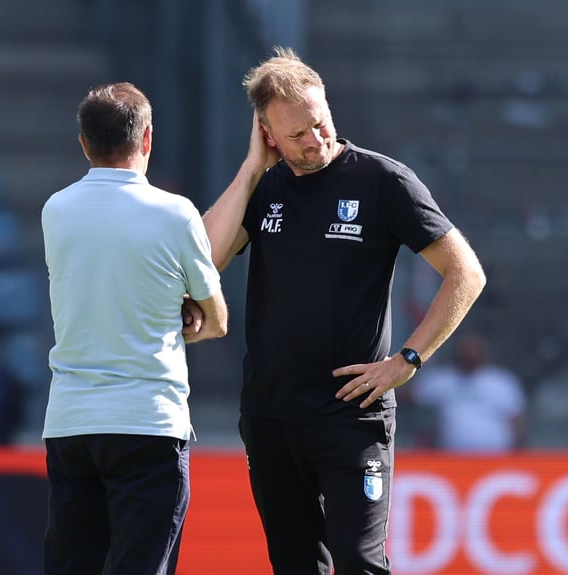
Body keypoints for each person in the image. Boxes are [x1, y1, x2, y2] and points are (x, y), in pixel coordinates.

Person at [203, 47, 486, 574]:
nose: (315, 139)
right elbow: (205, 261)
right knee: (295, 565)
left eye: (320, 122)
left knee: (359, 563)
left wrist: (407, 360)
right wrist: (250, 169)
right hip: (270, 415)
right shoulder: (263, 186)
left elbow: (466, 273)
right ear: (267, 134)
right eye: (296, 134)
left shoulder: (383, 181)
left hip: (352, 414)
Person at [40, 82, 228, 575]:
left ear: (83, 143)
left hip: (72, 423)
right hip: (148, 421)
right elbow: (218, 320)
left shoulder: (55, 209)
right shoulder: (176, 212)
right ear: (147, 139)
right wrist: (185, 316)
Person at [408, 332, 527, 451]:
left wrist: (519, 452)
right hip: (451, 456)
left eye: (473, 349)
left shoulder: (501, 382)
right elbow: (409, 395)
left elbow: (516, 421)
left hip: (496, 456)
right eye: (466, 349)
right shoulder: (443, 380)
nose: (469, 354)